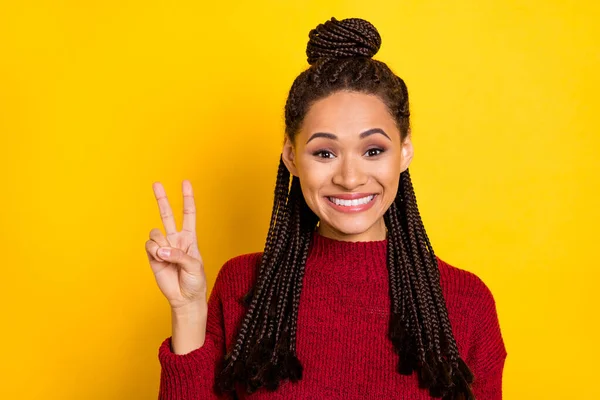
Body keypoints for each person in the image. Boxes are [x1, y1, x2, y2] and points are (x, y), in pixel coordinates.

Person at [145, 17, 507, 400]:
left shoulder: (467, 302)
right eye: (324, 152)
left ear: (404, 152)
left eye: (373, 150)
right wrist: (186, 311)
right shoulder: (242, 286)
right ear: (291, 157)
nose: (350, 178)